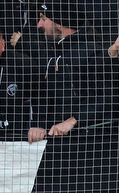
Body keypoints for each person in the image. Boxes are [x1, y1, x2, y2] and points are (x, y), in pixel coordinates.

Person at [35, 1, 98, 136]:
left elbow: (105, 96)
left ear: (58, 23)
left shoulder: (91, 52)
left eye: (43, 19)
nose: (39, 24)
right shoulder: (52, 52)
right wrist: (38, 126)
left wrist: (75, 119)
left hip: (86, 141)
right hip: (54, 141)